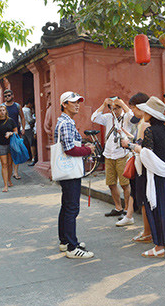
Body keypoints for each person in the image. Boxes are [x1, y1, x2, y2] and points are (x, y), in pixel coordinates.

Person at [129, 96, 165, 258]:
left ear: (151, 115)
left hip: (155, 176)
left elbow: (147, 154)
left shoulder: (149, 131)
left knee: (156, 209)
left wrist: (134, 147)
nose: (144, 114)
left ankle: (159, 246)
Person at [54, 91, 96, 259]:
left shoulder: (65, 122)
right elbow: (70, 149)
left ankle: (65, 241)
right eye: (73, 102)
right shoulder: (66, 123)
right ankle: (72, 247)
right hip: (70, 170)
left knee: (66, 206)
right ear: (64, 104)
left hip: (66, 169)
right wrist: (88, 149)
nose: (77, 104)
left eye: (78, 101)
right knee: (72, 207)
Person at [91, 97, 132, 217]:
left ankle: (126, 210)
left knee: (125, 184)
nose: (114, 111)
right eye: (112, 108)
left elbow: (133, 117)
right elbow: (94, 117)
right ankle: (118, 207)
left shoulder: (126, 117)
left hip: (122, 154)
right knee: (111, 183)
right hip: (109, 154)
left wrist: (123, 104)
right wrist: (103, 105)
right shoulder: (109, 118)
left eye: (117, 108)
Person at [118, 93, 150, 228]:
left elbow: (141, 146)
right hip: (139, 162)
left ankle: (146, 231)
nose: (133, 112)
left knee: (142, 195)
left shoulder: (145, 124)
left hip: (143, 163)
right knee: (135, 189)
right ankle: (129, 215)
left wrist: (129, 144)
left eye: (134, 108)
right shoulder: (142, 122)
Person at [3, 89, 26, 180]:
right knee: (7, 153)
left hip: (15, 132)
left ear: (12, 96)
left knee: (16, 151)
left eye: (9, 95)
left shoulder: (17, 106)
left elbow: (22, 117)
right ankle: (8, 171)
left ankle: (15, 172)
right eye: (5, 96)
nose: (7, 97)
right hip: (5, 132)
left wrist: (23, 128)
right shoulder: (2, 107)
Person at [22, 100, 37, 166]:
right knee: (32, 143)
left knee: (25, 143)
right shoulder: (27, 110)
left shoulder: (21, 109)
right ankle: (33, 158)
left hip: (22, 128)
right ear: (29, 103)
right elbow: (29, 120)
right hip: (28, 128)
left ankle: (26, 157)